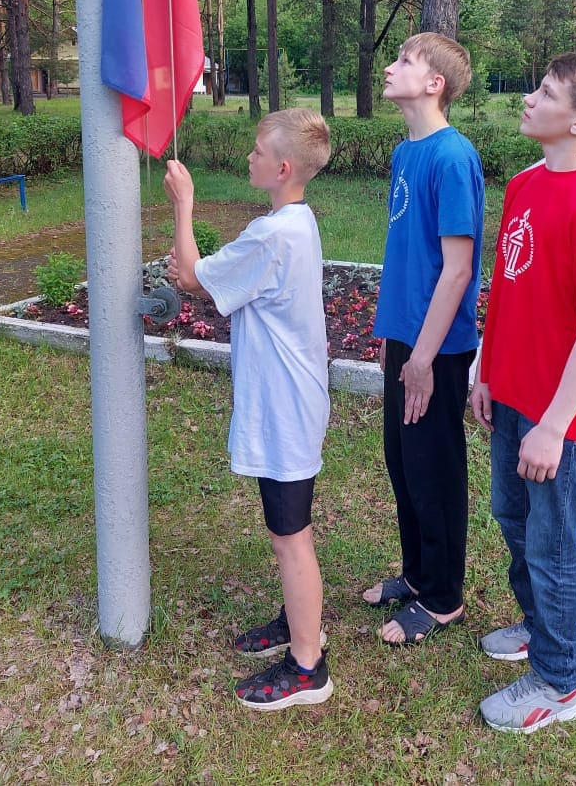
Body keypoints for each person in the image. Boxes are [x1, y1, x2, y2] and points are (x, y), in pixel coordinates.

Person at [470, 53, 576, 734]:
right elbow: (510, 290)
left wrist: (552, 426)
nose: (528, 99)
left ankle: (558, 682)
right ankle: (538, 626)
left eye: (544, 93)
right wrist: (487, 369)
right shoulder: (524, 184)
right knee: (512, 521)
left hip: (556, 419)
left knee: (552, 546)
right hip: (511, 394)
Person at [163, 108, 333, 711]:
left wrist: (184, 204)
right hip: (294, 402)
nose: (249, 158)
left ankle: (308, 667)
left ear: (283, 168)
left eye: (258, 151)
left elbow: (190, 276)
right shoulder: (296, 221)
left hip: (285, 411)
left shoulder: (272, 235)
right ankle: (296, 622)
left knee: (291, 537)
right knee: (286, 528)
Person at [363, 32, 485, 645]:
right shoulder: (404, 152)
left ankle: (442, 598)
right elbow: (408, 255)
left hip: (438, 347)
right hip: (406, 338)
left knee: (434, 469)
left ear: (434, 84)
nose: (390, 67)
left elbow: (457, 270)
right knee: (404, 462)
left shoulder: (452, 157)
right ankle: (416, 574)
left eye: (405, 60)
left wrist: (425, 359)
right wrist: (394, 337)